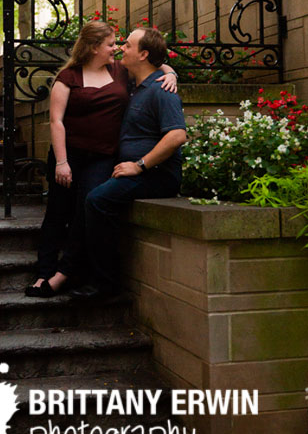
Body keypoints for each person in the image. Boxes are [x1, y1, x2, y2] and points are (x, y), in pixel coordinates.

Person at [26, 21, 178, 298]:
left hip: (103, 157)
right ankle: (44, 273)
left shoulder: (120, 72)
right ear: (94, 47)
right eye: (111, 44)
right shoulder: (68, 77)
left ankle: (69, 273)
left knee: (87, 208)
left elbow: (153, 67)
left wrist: (172, 73)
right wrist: (62, 162)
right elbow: (55, 121)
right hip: (68, 155)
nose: (117, 48)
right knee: (58, 213)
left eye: (121, 44)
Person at [69, 26, 188, 300]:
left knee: (97, 200)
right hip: (135, 171)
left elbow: (177, 135)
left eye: (129, 45)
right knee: (86, 194)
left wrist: (140, 165)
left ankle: (106, 284)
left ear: (144, 54)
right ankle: (79, 271)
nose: (123, 47)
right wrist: (171, 69)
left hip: (157, 175)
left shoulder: (162, 90)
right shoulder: (136, 85)